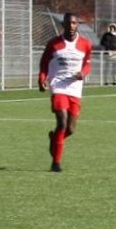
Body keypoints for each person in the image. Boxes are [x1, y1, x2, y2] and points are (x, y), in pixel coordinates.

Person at [39, 12, 93, 172]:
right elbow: (44, 63)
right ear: (63, 25)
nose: (71, 26)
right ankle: (56, 163)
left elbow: (88, 64)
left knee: (70, 129)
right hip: (58, 86)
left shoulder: (86, 44)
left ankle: (54, 138)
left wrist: (82, 73)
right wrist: (41, 78)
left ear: (78, 25)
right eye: (68, 23)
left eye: (74, 23)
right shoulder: (53, 44)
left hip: (75, 89)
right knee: (61, 121)